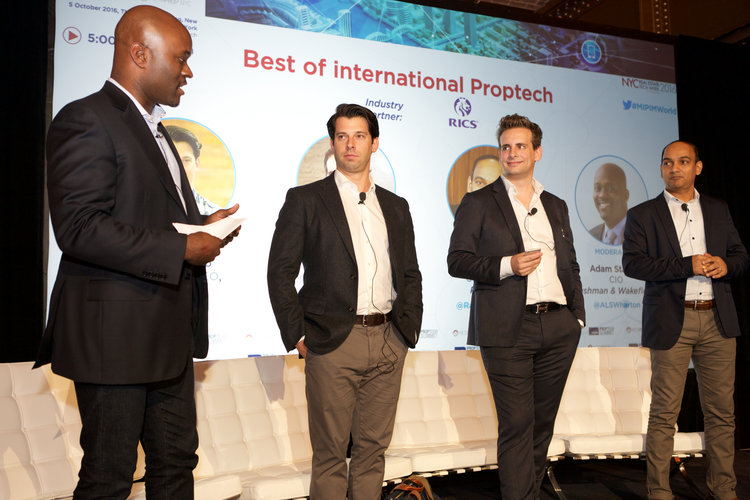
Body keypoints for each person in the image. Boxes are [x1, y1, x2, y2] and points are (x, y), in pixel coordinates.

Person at [35, 6, 240, 498]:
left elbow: (145, 217)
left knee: (176, 466)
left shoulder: (159, 130)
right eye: (181, 58)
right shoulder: (86, 118)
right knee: (110, 476)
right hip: (114, 340)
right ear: (140, 55)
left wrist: (202, 227)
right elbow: (79, 227)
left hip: (166, 338)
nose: (188, 71)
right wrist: (181, 247)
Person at [267, 103, 422, 500]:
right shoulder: (305, 200)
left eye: (359, 136)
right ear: (332, 143)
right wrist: (296, 333)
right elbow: (280, 271)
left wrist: (407, 332)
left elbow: (410, 274)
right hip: (332, 341)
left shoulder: (397, 206)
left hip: (388, 339)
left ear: (374, 143)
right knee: (330, 455)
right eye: (342, 136)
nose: (350, 144)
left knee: (373, 453)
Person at [447, 113, 584, 500]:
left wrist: (576, 316)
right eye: (505, 147)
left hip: (558, 326)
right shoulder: (478, 202)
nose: (511, 153)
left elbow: (570, 263)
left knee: (542, 425)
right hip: (507, 329)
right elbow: (457, 261)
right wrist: (507, 265)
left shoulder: (555, 204)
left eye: (521, 146)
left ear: (537, 152)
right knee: (517, 424)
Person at [622, 140, 748, 500]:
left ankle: (724, 489)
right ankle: (659, 492)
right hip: (671, 320)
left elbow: (740, 256)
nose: (674, 168)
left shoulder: (718, 209)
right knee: (665, 413)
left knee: (722, 413)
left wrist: (725, 265)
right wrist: (685, 265)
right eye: (667, 162)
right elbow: (633, 264)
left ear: (698, 167)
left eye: (682, 161)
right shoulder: (644, 214)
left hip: (717, 320)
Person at [166, 124, 221, 216]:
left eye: (186, 160)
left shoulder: (214, 215)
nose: (179, 168)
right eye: (171, 160)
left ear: (197, 163)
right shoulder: (142, 211)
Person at [589, 162, 629, 244]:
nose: (602, 195)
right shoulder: (592, 235)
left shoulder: (638, 233)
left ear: (626, 195)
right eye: (598, 188)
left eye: (610, 189)